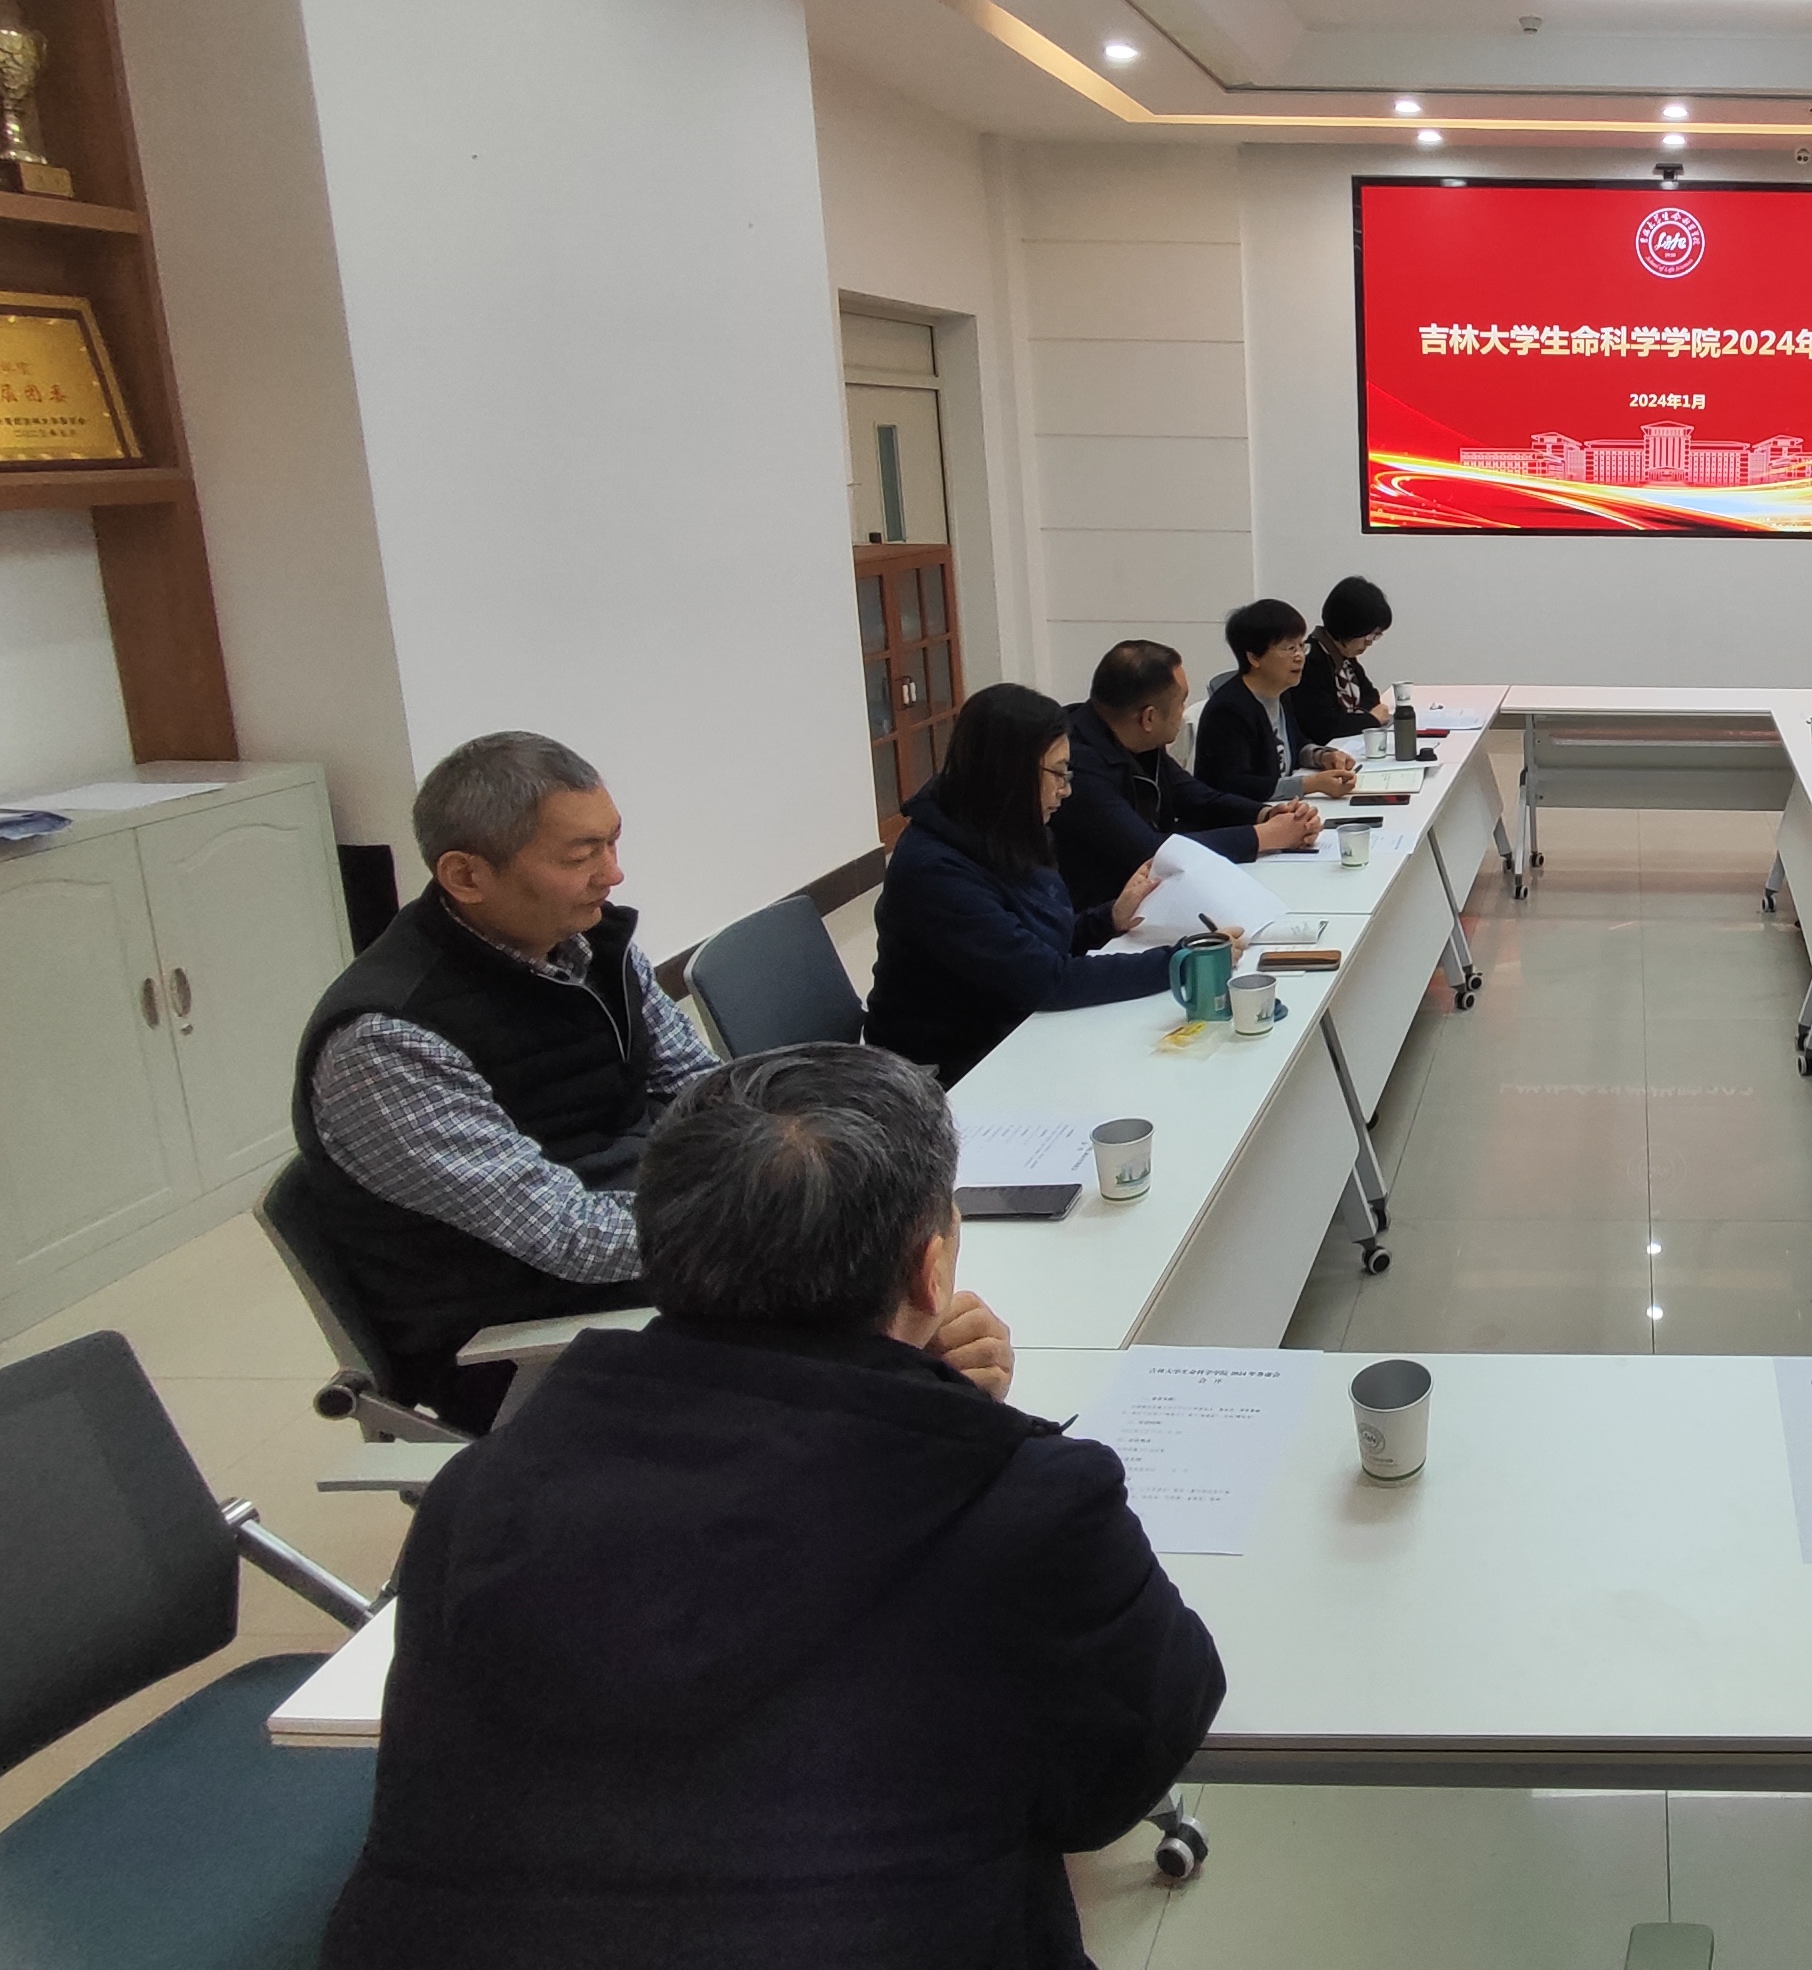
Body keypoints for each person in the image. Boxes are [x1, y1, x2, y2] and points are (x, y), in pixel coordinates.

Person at [320, 1042, 1226, 1970]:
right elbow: (1113, 1786)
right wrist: (954, 1422)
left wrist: (911, 1403)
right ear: (931, 1272)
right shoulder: (1037, 1506)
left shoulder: (475, 1494)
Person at [290, 732, 716, 1432]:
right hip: (520, 1344)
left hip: (641, 1250)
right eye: (581, 856)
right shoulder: (388, 1039)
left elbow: (700, 1087)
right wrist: (749, 1224)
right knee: (856, 1352)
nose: (613, 875)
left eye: (612, 843)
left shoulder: (587, 946)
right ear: (466, 876)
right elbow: (564, 1234)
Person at [866, 683, 1185, 1083]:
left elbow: (1033, 943)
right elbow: (1045, 981)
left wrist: (1108, 920)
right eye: (1057, 773)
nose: (1066, 790)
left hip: (1011, 1029)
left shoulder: (1004, 828)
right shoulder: (934, 870)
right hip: (949, 1069)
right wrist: (1179, 962)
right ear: (1010, 773)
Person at [1053, 639, 1322, 912]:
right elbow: (1152, 852)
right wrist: (1265, 836)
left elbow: (1196, 797)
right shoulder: (1078, 766)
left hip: (1152, 896)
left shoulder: (1135, 738)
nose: (1184, 712)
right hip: (1102, 914)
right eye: (1182, 702)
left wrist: (1265, 815)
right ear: (1148, 718)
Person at [1197, 597, 1359, 807]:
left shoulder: (1280, 692)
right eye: (1289, 648)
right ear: (1254, 658)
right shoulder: (1229, 710)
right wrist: (1310, 784)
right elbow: (1234, 784)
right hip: (1244, 817)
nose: (1300, 656)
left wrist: (1322, 756)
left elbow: (1296, 744)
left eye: (1301, 646)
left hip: (1283, 809)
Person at [1292, 574, 1393, 743]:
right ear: (1350, 626)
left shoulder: (1344, 657)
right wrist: (1370, 720)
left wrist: (1359, 719)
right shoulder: (1312, 662)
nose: (1369, 643)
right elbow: (1325, 727)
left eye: (1375, 636)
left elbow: (1371, 695)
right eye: (1369, 636)